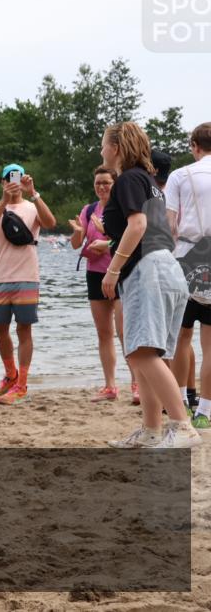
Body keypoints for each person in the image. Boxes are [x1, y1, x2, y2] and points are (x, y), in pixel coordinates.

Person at [100, 121, 200, 448]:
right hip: (166, 267)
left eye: (104, 144)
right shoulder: (152, 182)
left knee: (143, 353)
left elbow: (138, 224)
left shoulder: (129, 178)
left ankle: (182, 426)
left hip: (148, 269)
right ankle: (151, 429)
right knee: (142, 352)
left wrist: (113, 269)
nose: (101, 150)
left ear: (116, 147)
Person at [0, 164, 57, 405]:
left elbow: (50, 223)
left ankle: (22, 384)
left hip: (27, 276)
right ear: (2, 182)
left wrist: (33, 192)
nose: (11, 182)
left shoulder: (32, 207)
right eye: (7, 178)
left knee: (24, 330)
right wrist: (4, 202)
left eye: (15, 178)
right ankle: (10, 375)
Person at [68, 167, 138, 403]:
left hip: (119, 272)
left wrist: (106, 242)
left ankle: (136, 382)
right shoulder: (89, 210)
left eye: (106, 183)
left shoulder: (121, 208)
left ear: (115, 183)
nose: (102, 187)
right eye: (98, 183)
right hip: (95, 273)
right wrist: (78, 232)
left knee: (124, 331)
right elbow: (77, 245)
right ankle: (110, 386)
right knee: (104, 333)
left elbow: (132, 236)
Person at [165, 123, 211, 430]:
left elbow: (169, 225)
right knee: (210, 342)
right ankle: (206, 410)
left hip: (186, 258)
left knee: (181, 336)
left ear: (194, 145)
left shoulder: (180, 175)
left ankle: (180, 400)